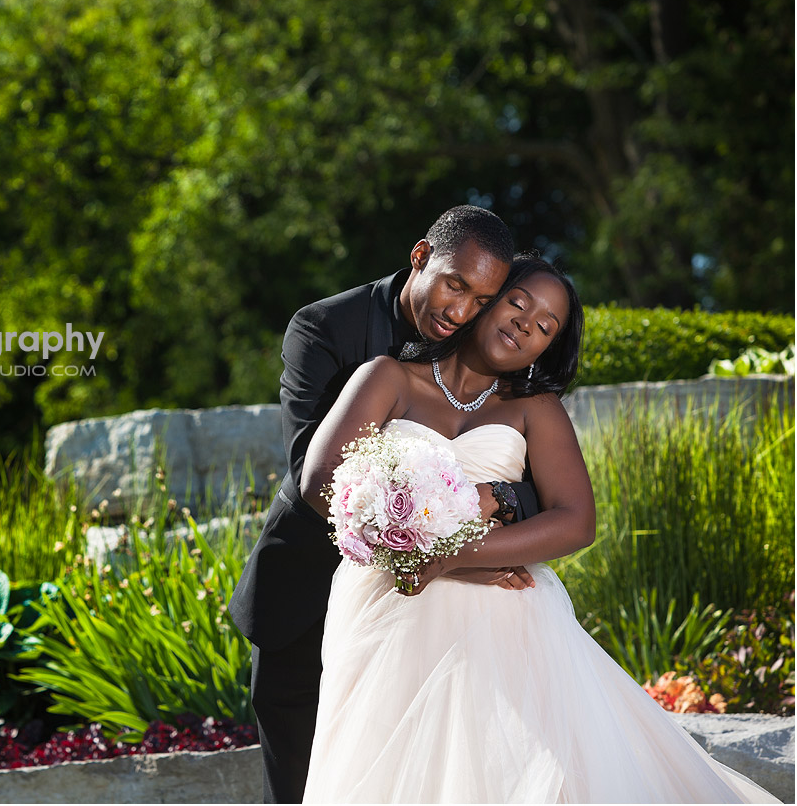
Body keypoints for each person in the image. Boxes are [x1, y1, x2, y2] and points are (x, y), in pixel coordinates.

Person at [296, 257, 780, 803]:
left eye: (546, 326)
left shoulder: (535, 408)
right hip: (384, 604)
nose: (527, 325)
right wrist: (408, 554)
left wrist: (457, 558)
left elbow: (576, 520)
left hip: (507, 614)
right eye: (518, 304)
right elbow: (322, 480)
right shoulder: (386, 376)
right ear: (487, 300)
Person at [229, 205, 544, 804]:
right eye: (455, 285)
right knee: (300, 785)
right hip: (308, 588)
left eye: (482, 299)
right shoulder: (324, 328)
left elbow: (522, 470)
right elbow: (317, 478)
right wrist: (461, 558)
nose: (462, 311)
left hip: (428, 614)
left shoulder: (485, 341)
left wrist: (497, 499)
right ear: (420, 256)